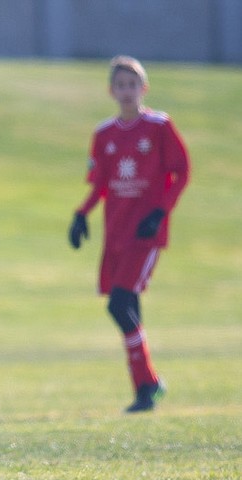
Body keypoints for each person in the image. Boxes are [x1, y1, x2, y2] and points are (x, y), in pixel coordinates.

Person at [68, 55, 190, 413]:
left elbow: (182, 173)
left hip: (144, 232)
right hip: (116, 233)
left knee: (119, 305)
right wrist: (81, 214)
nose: (126, 91)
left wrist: (159, 212)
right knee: (129, 308)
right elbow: (101, 184)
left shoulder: (158, 126)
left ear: (143, 88)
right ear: (111, 90)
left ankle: (150, 381)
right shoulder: (104, 134)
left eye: (132, 84)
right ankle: (144, 391)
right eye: (120, 85)